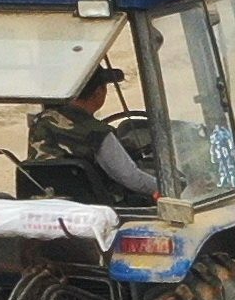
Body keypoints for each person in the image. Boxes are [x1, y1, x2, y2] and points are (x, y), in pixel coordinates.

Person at [25, 64, 157, 203]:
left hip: (44, 201)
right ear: (99, 91)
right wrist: (167, 188)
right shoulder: (97, 132)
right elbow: (130, 178)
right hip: (97, 207)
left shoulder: (41, 121)